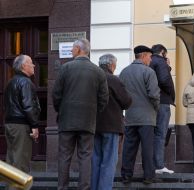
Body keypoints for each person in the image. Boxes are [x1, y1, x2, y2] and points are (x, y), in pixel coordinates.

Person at [52, 39, 109, 190]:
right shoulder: (98, 72)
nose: (71, 51)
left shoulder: (65, 68)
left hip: (67, 121)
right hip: (88, 121)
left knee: (64, 156)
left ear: (78, 49)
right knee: (85, 157)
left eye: (72, 48)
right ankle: (83, 188)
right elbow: (104, 98)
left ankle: (62, 187)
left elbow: (56, 94)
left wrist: (61, 110)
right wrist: (94, 113)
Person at [119, 45, 160, 184]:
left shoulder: (124, 72)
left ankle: (126, 175)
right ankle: (148, 176)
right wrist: (156, 109)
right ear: (143, 56)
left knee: (129, 148)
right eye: (149, 57)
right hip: (147, 117)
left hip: (130, 117)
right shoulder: (149, 72)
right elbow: (154, 95)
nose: (150, 60)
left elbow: (121, 95)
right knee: (147, 148)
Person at [91, 54, 132, 190]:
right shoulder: (113, 79)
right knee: (109, 161)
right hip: (111, 125)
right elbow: (127, 101)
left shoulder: (92, 78)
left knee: (96, 160)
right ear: (110, 65)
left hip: (93, 125)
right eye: (114, 65)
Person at [4, 55, 40, 173]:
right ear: (24, 66)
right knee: (21, 163)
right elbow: (28, 106)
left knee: (12, 160)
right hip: (21, 126)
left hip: (10, 124)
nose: (33, 65)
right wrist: (34, 126)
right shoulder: (25, 82)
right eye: (31, 63)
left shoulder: (11, 82)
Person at [150, 44, 175, 174]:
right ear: (162, 52)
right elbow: (165, 80)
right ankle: (159, 165)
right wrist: (171, 94)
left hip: (150, 103)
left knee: (153, 134)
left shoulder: (148, 61)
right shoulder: (160, 62)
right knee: (160, 134)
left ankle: (152, 165)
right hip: (163, 102)